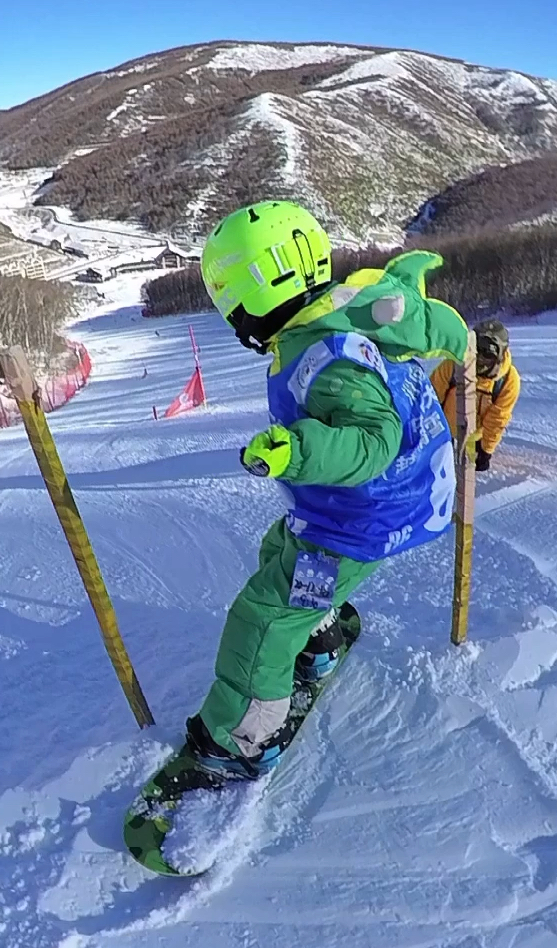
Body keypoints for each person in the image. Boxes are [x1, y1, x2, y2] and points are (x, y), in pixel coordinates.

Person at [184, 202, 469, 777]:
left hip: (363, 515)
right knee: (279, 551)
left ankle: (240, 737)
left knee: (262, 618)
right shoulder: (337, 316)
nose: (230, 316)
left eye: (229, 300)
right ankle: (317, 631)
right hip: (369, 504)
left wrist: (298, 450)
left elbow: (373, 441)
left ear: (255, 293)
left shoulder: (325, 362)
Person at [430, 318, 520, 471]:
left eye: (488, 352)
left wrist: (486, 450)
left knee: (468, 473)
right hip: (445, 430)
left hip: (476, 436)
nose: (480, 358)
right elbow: (431, 398)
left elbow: (497, 419)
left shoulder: (508, 381)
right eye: (477, 349)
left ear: (500, 354)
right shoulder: (453, 365)